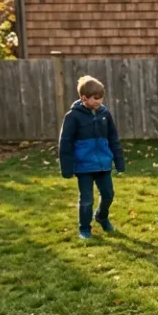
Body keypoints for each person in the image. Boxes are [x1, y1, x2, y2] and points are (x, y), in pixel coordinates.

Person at [58, 75, 125, 240]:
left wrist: (119, 161)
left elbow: (113, 139)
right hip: (84, 166)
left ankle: (102, 217)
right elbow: (65, 143)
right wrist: (67, 169)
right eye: (95, 98)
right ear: (84, 98)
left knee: (108, 194)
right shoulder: (73, 117)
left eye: (101, 98)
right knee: (87, 200)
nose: (99, 101)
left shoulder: (105, 114)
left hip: (103, 163)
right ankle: (84, 228)